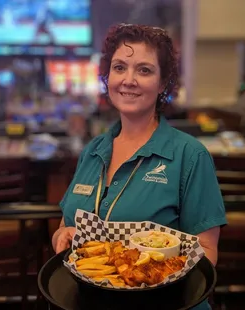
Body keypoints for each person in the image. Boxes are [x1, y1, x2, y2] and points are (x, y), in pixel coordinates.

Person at [52, 23, 227, 310]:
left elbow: (206, 253)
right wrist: (63, 235)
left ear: (162, 84)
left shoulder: (189, 155)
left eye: (144, 70)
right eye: (120, 67)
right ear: (108, 76)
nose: (128, 80)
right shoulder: (92, 151)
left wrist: (149, 276)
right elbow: (67, 227)